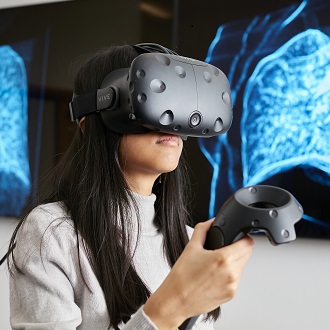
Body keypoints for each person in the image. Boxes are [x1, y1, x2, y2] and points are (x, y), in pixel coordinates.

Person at [8, 43, 254, 330]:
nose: (170, 122)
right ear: (89, 122)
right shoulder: (52, 234)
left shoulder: (187, 241)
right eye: (152, 99)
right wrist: (172, 305)